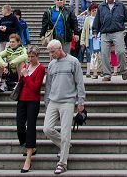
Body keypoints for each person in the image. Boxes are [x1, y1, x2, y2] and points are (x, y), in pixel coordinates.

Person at [43, 39, 86, 175]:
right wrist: (47, 101)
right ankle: (65, 145)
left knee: (66, 132)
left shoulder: (73, 62)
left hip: (68, 101)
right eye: (49, 52)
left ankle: (62, 163)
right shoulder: (51, 64)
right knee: (47, 129)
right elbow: (48, 85)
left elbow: (80, 82)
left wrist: (81, 102)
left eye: (53, 52)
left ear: (60, 48)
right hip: (53, 100)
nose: (51, 54)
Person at [92, 0, 127, 81]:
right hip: (105, 32)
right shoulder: (101, 6)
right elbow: (97, 20)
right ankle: (107, 74)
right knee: (104, 53)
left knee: (120, 51)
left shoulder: (120, 5)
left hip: (118, 31)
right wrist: (95, 31)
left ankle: (123, 70)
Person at [17, 45, 45, 173]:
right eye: (28, 56)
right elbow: (22, 83)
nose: (30, 59)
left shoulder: (41, 68)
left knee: (31, 127)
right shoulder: (26, 66)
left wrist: (26, 76)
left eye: (32, 56)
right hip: (22, 99)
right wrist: (22, 74)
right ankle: (30, 147)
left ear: (37, 56)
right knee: (20, 127)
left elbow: (35, 88)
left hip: (33, 100)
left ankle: (28, 158)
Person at [80, 4, 101, 77]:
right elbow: (84, 30)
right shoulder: (87, 19)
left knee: (98, 55)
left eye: (96, 10)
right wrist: (82, 41)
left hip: (99, 39)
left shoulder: (100, 18)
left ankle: (97, 71)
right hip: (90, 39)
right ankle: (88, 71)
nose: (94, 12)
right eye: (93, 10)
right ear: (90, 11)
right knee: (89, 55)